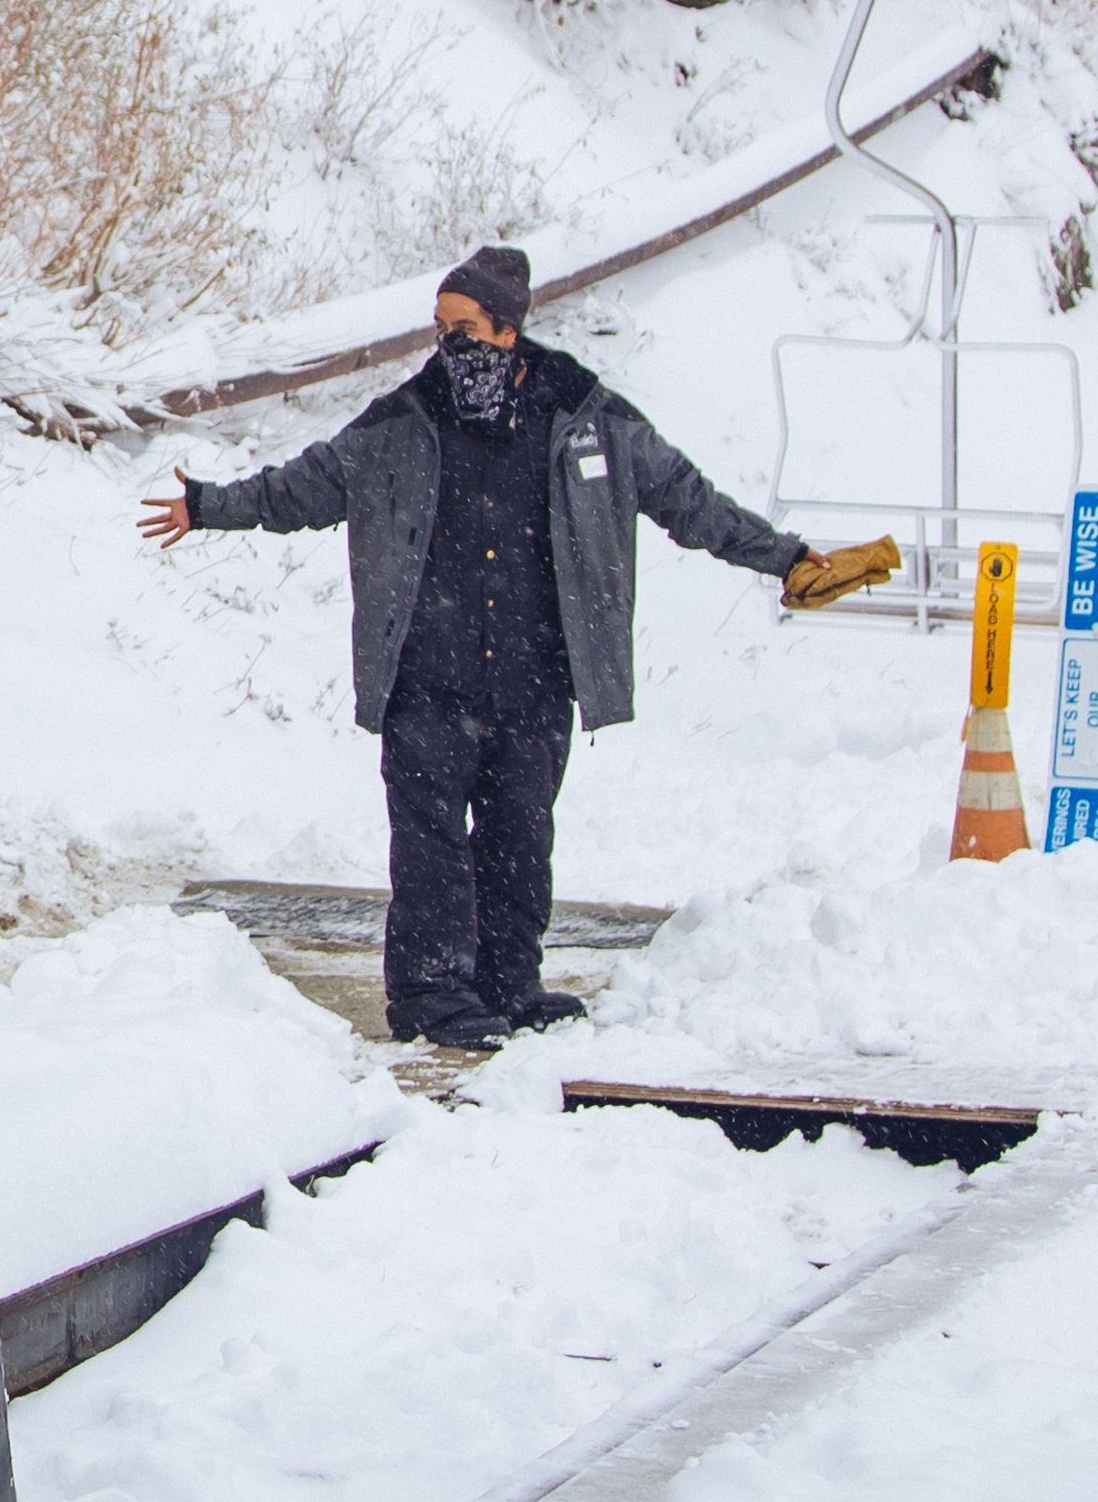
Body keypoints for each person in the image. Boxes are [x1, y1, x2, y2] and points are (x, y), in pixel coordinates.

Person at [139, 246, 893, 1047]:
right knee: (430, 849)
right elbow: (306, 485)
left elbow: (686, 498)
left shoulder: (585, 415)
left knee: (519, 840)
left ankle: (508, 982)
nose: (448, 344)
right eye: (439, 329)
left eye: (463, 326)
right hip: (427, 679)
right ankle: (431, 995)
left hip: (535, 679)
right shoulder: (403, 420)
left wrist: (782, 555)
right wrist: (207, 504)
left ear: (508, 327)